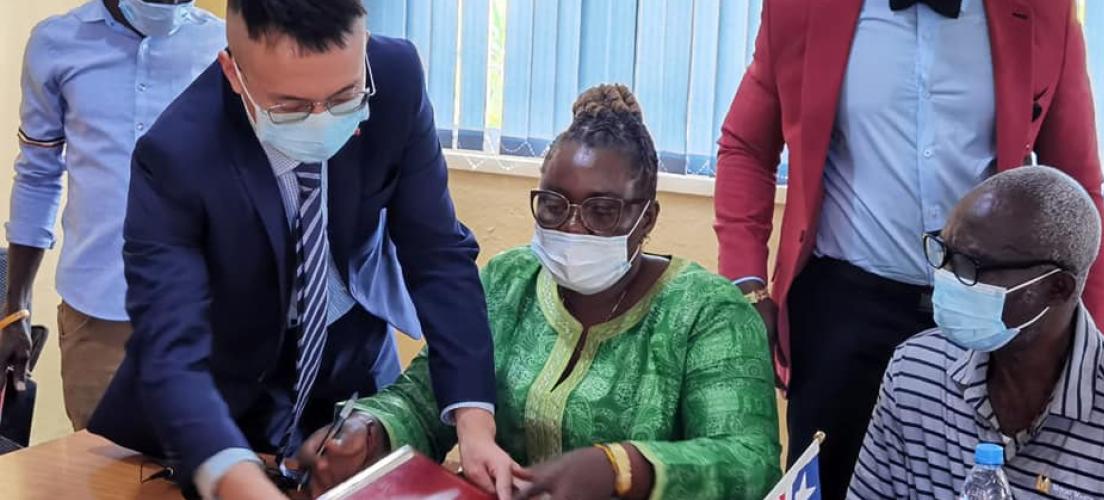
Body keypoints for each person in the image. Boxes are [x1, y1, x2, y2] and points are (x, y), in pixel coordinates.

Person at [86, 1, 503, 499]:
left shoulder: (396, 77)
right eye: (290, 106)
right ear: (233, 72)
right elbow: (170, 343)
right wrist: (232, 474)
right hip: (224, 396)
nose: (322, 119)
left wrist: (474, 422)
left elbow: (436, 254)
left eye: (346, 95)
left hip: (350, 360)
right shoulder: (178, 155)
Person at [297, 84, 783, 500]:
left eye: (602, 211)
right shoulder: (509, 282)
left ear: (646, 218)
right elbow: (429, 395)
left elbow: (748, 461)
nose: (573, 227)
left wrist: (620, 468)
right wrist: (371, 430)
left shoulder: (707, 314)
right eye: (553, 206)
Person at [713, 0, 1104, 495]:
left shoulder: (1044, 15)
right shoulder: (801, 10)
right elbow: (746, 148)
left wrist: (1091, 340)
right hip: (843, 316)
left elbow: (1077, 192)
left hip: (989, 316)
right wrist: (745, 286)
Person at [848, 166, 1104, 499]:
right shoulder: (915, 372)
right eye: (944, 254)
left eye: (970, 266)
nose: (944, 278)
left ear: (1056, 288)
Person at [0, 0, 224, 431]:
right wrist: (17, 308)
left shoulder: (224, 45)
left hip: (205, 313)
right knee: (99, 476)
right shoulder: (57, 44)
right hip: (97, 314)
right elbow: (37, 176)